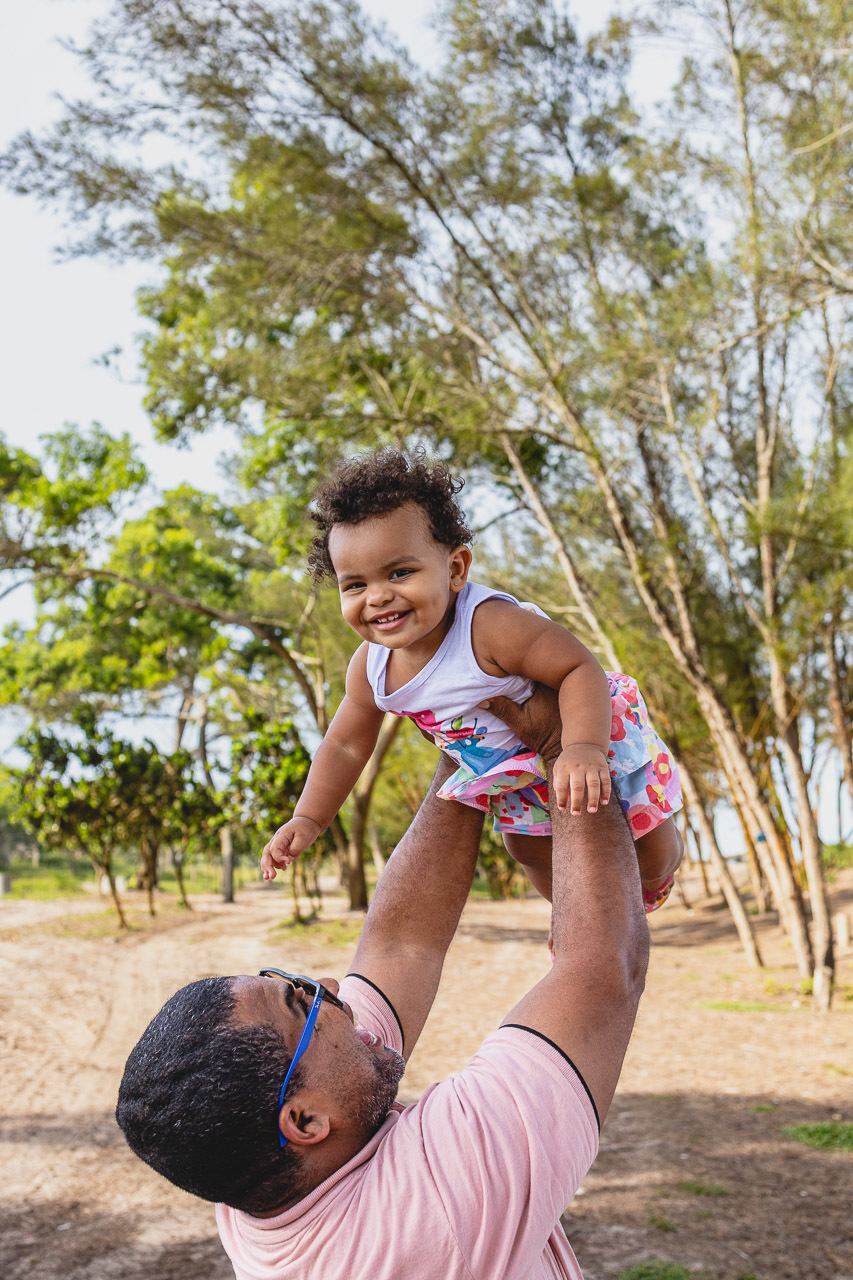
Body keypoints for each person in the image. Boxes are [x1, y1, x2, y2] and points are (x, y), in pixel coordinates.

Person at [116, 688, 650, 1279]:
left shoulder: (260, 1174)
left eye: (290, 980)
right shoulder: (432, 1212)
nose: (328, 985)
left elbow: (402, 944)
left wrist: (464, 724)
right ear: (306, 1123)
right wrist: (558, 744)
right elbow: (601, 969)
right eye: (301, 1002)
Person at [261, 449, 683, 914]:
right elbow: (344, 745)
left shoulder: (489, 627)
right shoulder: (371, 667)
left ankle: (660, 877)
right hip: (511, 776)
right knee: (527, 852)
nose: (378, 596)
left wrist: (583, 747)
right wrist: (310, 817)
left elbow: (577, 668)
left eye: (400, 573)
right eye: (355, 585)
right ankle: (579, 919)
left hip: (588, 735)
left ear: (456, 569)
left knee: (651, 854)